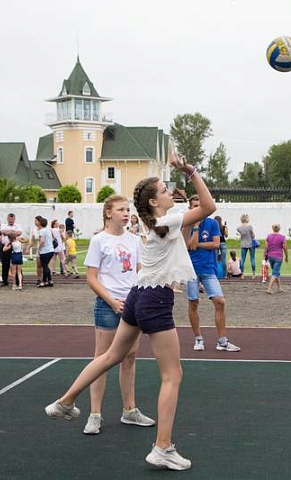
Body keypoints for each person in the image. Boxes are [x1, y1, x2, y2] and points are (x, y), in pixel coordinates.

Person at [45, 152, 215, 471]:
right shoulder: (166, 222)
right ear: (153, 203)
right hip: (153, 300)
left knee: (110, 356)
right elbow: (208, 207)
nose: (170, 192)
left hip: (138, 295)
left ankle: (65, 402)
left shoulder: (158, 224)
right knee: (172, 375)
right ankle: (162, 447)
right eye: (164, 190)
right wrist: (190, 170)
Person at [81, 194, 155, 436]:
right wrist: (111, 301)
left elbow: (140, 270)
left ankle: (129, 410)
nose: (126, 213)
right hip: (108, 305)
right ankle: (94, 414)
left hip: (132, 305)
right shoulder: (98, 241)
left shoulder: (134, 240)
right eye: (121, 209)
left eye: (127, 209)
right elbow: (92, 278)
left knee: (130, 358)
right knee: (101, 359)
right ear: (108, 213)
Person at [185, 195, 240, 353]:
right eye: (194, 206)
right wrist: (195, 226)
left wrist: (197, 245)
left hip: (209, 269)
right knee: (193, 303)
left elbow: (216, 244)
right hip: (191, 270)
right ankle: (198, 339)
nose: (197, 209)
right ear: (190, 208)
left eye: (200, 206)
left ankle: (222, 341)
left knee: (220, 302)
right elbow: (188, 245)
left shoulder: (212, 223)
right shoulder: (186, 224)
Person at [0, 213, 24, 286]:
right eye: (9, 219)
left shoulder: (18, 225)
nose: (11, 220)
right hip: (6, 245)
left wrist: (8, 232)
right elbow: (3, 232)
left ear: (14, 219)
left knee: (17, 264)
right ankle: (5, 281)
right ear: (7, 219)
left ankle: (19, 281)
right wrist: (13, 232)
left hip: (15, 247)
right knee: (5, 264)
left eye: (12, 219)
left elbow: (19, 233)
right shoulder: (3, 225)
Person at [265, 224, 288, 294]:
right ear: (279, 228)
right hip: (278, 257)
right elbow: (285, 248)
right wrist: (287, 256)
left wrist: (264, 256)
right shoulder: (282, 237)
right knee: (275, 273)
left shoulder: (268, 236)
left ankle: (279, 288)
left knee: (276, 272)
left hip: (270, 256)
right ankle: (269, 288)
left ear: (272, 228)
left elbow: (266, 247)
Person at [35, 216, 55, 288]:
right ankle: (49, 280)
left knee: (44, 266)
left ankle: (44, 281)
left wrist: (38, 248)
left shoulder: (41, 231)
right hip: (51, 250)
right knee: (46, 266)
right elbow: (53, 238)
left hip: (44, 251)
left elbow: (42, 240)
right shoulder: (48, 230)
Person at [236, 214, 256, 278]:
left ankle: (242, 274)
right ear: (247, 219)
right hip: (251, 244)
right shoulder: (250, 227)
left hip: (243, 244)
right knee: (252, 259)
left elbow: (239, 235)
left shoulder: (239, 228)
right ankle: (253, 274)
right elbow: (253, 236)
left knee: (242, 259)